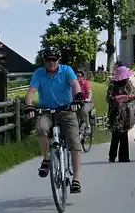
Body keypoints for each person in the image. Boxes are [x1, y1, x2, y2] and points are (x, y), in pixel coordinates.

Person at [24, 47, 84, 194]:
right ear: (44, 61)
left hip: (66, 110)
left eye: (54, 60)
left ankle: (76, 179)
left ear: (59, 60)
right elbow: (31, 93)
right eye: (48, 60)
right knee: (41, 128)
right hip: (47, 111)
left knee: (74, 142)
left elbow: (75, 85)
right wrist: (29, 107)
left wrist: (78, 96)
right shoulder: (39, 73)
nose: (51, 63)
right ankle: (47, 158)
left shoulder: (66, 70)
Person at [106, 65, 135, 162]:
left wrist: (134, 97)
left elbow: (134, 95)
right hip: (115, 112)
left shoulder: (128, 84)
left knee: (124, 134)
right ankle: (112, 156)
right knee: (115, 135)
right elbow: (108, 98)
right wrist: (116, 99)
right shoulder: (112, 85)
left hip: (126, 112)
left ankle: (124, 157)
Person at [74, 69, 94, 136]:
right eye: (76, 76)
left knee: (84, 111)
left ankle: (88, 126)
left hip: (87, 102)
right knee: (72, 113)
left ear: (83, 77)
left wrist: (88, 99)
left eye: (80, 76)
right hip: (77, 102)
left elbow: (89, 92)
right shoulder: (74, 84)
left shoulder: (85, 83)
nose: (78, 78)